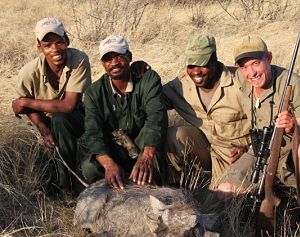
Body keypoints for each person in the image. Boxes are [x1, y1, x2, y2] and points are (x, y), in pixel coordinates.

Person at [12, 17, 91, 193]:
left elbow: (69, 105)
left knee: (61, 118)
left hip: (74, 118)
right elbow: (27, 110)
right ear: (39, 47)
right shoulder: (28, 72)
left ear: (67, 41)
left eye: (59, 42)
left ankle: (67, 186)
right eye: (48, 45)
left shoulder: (79, 59)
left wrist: (25, 101)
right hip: (44, 121)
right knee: (37, 163)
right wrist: (42, 128)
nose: (55, 49)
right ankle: (53, 181)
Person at [162, 34, 251, 188]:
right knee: (174, 136)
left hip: (237, 154)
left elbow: (265, 120)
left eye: (202, 64)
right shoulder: (180, 85)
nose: (196, 72)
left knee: (224, 199)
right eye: (191, 66)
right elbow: (150, 101)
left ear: (214, 59)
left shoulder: (239, 82)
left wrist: (249, 148)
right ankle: (181, 185)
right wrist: (140, 74)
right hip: (208, 149)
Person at [81, 35, 168, 190]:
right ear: (102, 64)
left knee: (156, 149)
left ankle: (160, 186)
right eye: (108, 59)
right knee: (89, 167)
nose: (114, 63)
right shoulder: (93, 93)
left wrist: (146, 156)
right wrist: (108, 164)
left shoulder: (148, 79)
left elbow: (156, 118)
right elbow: (93, 133)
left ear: (129, 57)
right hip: (115, 153)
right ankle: (114, 191)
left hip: (143, 147)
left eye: (119, 56)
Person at [217, 35, 300, 195]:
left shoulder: (293, 83)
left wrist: (293, 127)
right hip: (258, 151)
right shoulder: (241, 78)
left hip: (288, 152)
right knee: (224, 191)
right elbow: (218, 71)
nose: (251, 73)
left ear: (268, 57)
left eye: (256, 63)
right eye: (244, 67)